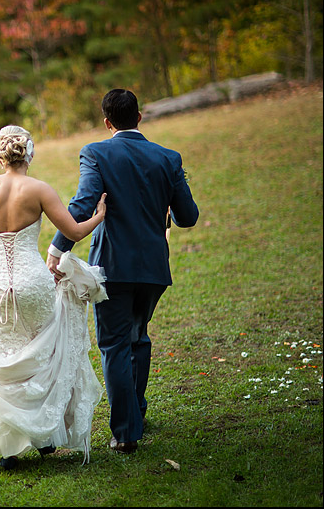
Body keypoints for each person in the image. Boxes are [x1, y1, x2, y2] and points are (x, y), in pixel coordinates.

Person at [46, 89, 199, 454]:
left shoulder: (96, 153)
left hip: (112, 266)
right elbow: (188, 216)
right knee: (138, 338)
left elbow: (84, 203)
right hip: (153, 268)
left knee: (115, 345)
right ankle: (136, 413)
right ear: (139, 117)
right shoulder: (168, 157)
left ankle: (127, 432)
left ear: (107, 122)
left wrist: (57, 249)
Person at [0, 125, 108, 470]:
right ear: (29, 154)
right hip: (33, 282)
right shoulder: (39, 189)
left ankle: (8, 450)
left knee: (2, 354)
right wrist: (99, 216)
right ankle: (44, 436)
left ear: (1, 155)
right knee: (41, 353)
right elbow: (73, 231)